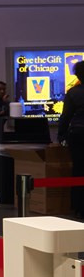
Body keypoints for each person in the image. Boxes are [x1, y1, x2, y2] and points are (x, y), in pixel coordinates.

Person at [58, 61, 84, 219]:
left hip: (79, 134)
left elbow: (65, 116)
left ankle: (79, 206)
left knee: (79, 169)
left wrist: (61, 136)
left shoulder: (73, 93)